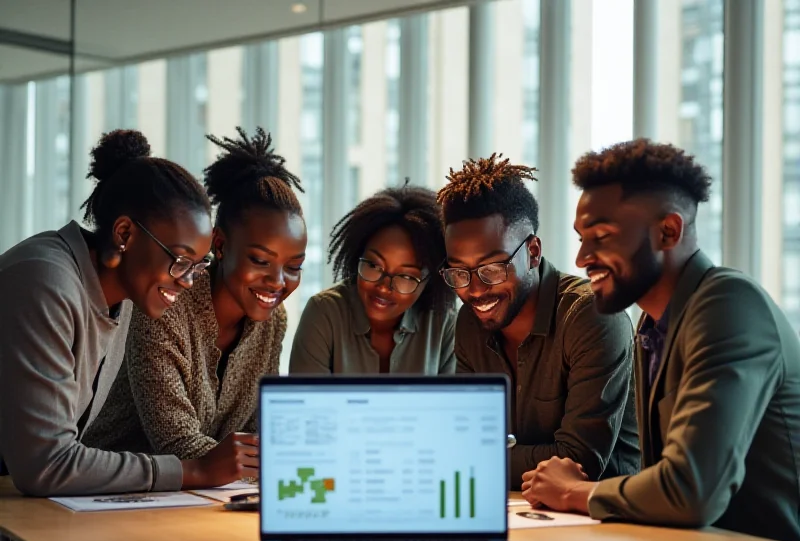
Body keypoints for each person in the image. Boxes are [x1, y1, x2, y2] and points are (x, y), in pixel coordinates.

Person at [523, 139, 800, 541]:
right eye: (581, 237)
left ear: (668, 231)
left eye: (601, 236)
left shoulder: (729, 304)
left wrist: (573, 492)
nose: (582, 257)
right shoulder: (651, 328)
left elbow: (691, 491)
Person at [0, 130, 258, 496]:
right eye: (181, 261)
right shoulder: (45, 283)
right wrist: (193, 471)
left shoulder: (122, 299)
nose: (187, 282)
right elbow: (45, 464)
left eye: (199, 267)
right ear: (124, 234)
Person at [84, 128, 306, 460]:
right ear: (219, 244)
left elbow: (261, 434)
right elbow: (177, 444)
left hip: (203, 497)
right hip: (112, 488)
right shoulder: (165, 302)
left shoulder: (273, 320)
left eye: (294, 266)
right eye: (260, 260)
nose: (277, 282)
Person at [438, 154, 639, 489]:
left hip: (602, 523)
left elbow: (578, 462)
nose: (474, 290)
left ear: (532, 252)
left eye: (491, 269)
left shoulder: (592, 315)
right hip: (522, 510)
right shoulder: (470, 323)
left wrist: (476, 458)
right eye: (459, 272)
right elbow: (466, 442)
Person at [289, 184, 456, 374]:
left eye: (406, 276)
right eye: (374, 266)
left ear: (430, 280)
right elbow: (309, 402)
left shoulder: (445, 324)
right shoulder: (324, 313)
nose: (384, 287)